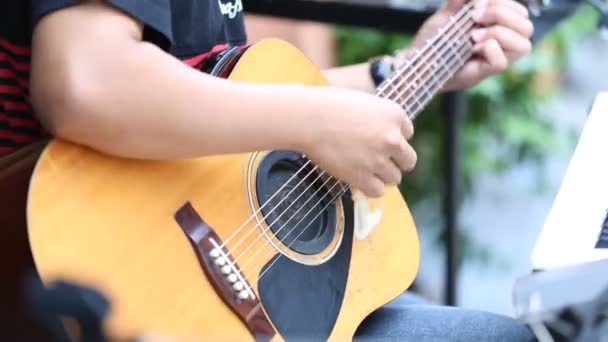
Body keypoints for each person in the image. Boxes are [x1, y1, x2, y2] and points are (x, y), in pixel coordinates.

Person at [0, 0, 536, 340]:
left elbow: (215, 100)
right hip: (104, 281)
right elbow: (86, 81)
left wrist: (403, 69)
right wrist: (314, 122)